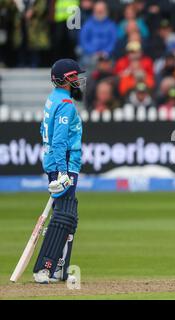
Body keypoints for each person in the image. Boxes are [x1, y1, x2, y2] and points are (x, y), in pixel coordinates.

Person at [33, 59, 84, 284]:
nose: (76, 80)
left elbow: (43, 128)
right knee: (63, 216)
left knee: (67, 214)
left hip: (56, 163)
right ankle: (45, 267)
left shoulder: (53, 99)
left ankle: (57, 268)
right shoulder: (65, 103)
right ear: (62, 79)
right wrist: (62, 173)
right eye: (73, 76)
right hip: (63, 164)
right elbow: (59, 139)